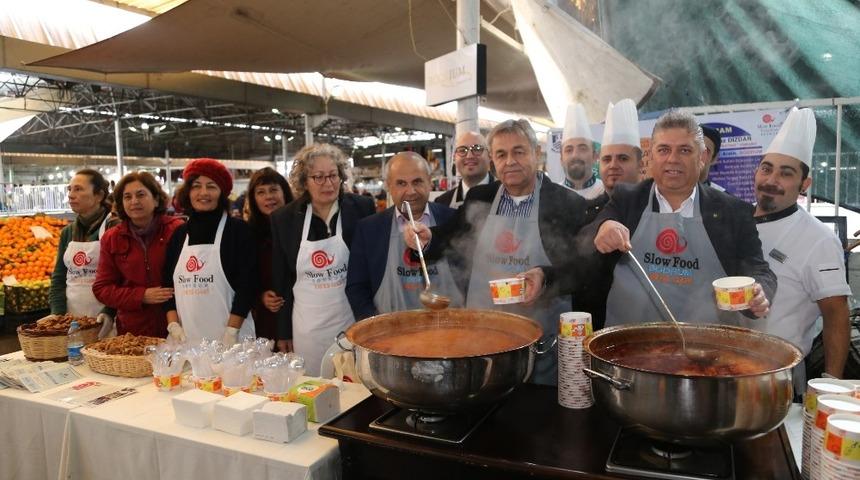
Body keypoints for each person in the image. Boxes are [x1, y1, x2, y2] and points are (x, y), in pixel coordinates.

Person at [406, 119, 593, 385]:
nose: (510, 161)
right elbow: (447, 237)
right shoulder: (480, 197)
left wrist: (546, 278)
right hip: (483, 339)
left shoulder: (567, 203)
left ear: (536, 153)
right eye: (501, 154)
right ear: (492, 161)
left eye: (519, 151)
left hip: (541, 342)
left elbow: (582, 270)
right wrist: (424, 238)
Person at [591, 109, 775, 328]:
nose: (673, 159)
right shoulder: (628, 199)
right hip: (629, 343)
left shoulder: (733, 212)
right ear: (651, 155)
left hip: (704, 347)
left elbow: (759, 269)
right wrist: (604, 226)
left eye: (685, 150)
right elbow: (587, 239)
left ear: (703, 157)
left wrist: (760, 291)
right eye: (664, 150)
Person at [747, 107, 851, 391]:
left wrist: (831, 385)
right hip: (724, 365)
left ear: (804, 184)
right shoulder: (734, 223)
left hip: (778, 378)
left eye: (786, 173)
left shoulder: (818, 239)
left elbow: (836, 314)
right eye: (766, 169)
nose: (771, 181)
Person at [270, 144, 374, 375]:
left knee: (357, 383)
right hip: (308, 326)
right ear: (304, 182)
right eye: (318, 177)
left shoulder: (362, 208)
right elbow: (283, 279)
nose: (328, 183)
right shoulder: (284, 219)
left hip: (352, 320)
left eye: (333, 175)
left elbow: (372, 267)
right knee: (314, 386)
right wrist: (283, 330)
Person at [347, 152, 462, 319]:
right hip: (390, 335)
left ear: (430, 182)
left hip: (450, 328)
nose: (411, 191)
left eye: (417, 181)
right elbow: (356, 288)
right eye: (401, 183)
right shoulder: (368, 229)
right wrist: (375, 326)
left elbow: (469, 277)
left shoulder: (453, 219)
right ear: (388, 186)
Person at [163, 159, 257, 346]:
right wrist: (173, 324)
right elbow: (167, 286)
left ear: (222, 193)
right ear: (188, 192)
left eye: (211, 186)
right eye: (196, 186)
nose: (203, 193)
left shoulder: (238, 231)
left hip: (231, 340)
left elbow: (248, 286)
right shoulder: (180, 234)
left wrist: (231, 331)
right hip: (186, 339)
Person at [574, 99, 644, 329]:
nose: (613, 165)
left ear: (641, 164)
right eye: (607, 159)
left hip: (641, 326)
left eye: (623, 158)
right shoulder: (585, 209)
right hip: (595, 327)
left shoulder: (652, 209)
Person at [93, 171, 183, 337]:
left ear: (156, 199)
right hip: (133, 332)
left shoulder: (177, 230)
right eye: (127, 197)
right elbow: (102, 288)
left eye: (141, 195)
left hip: (178, 325)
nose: (134, 201)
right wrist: (141, 296)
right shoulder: (112, 238)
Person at [50, 169, 117, 336]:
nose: (71, 195)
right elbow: (59, 277)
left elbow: (124, 278)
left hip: (108, 323)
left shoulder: (113, 228)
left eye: (78, 189)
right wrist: (57, 315)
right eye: (69, 189)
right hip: (72, 322)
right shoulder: (68, 232)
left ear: (99, 195)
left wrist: (109, 312)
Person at [246, 167, 294, 341]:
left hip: (300, 311)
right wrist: (260, 296)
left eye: (273, 190)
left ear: (284, 192)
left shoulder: (300, 227)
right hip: (266, 318)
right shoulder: (249, 233)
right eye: (261, 192)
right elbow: (244, 278)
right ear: (253, 199)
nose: (268, 197)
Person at [435, 131, 493, 208]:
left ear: (489, 156)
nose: (469, 156)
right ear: (454, 158)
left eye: (477, 149)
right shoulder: (441, 204)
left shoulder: (507, 196)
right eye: (462, 150)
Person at [559, 103, 604, 199]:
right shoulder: (552, 196)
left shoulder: (606, 193)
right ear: (561, 160)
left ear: (595, 156)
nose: (575, 155)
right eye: (569, 150)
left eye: (582, 148)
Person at [699, 126, 726, 191]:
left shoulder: (724, 198)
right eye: (688, 150)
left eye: (703, 151)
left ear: (714, 159)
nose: (696, 155)